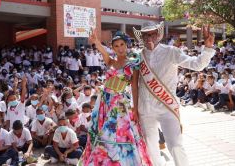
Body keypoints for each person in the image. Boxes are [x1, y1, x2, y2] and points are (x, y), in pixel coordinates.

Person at [132, 22, 215, 166]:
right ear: (142, 37)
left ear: (158, 34)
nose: (149, 37)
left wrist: (207, 48)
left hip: (167, 106)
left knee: (176, 145)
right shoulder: (138, 56)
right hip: (145, 109)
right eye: (146, 34)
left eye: (152, 33)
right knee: (150, 147)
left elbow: (197, 65)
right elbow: (135, 84)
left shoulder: (171, 51)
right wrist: (135, 108)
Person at [79, 30, 152, 165]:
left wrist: (135, 108)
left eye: (122, 44)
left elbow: (134, 86)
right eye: (116, 46)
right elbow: (103, 51)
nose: (120, 48)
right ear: (113, 48)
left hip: (119, 103)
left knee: (117, 133)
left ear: (127, 45)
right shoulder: (110, 61)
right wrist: (95, 41)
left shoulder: (133, 63)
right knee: (100, 130)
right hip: (104, 101)